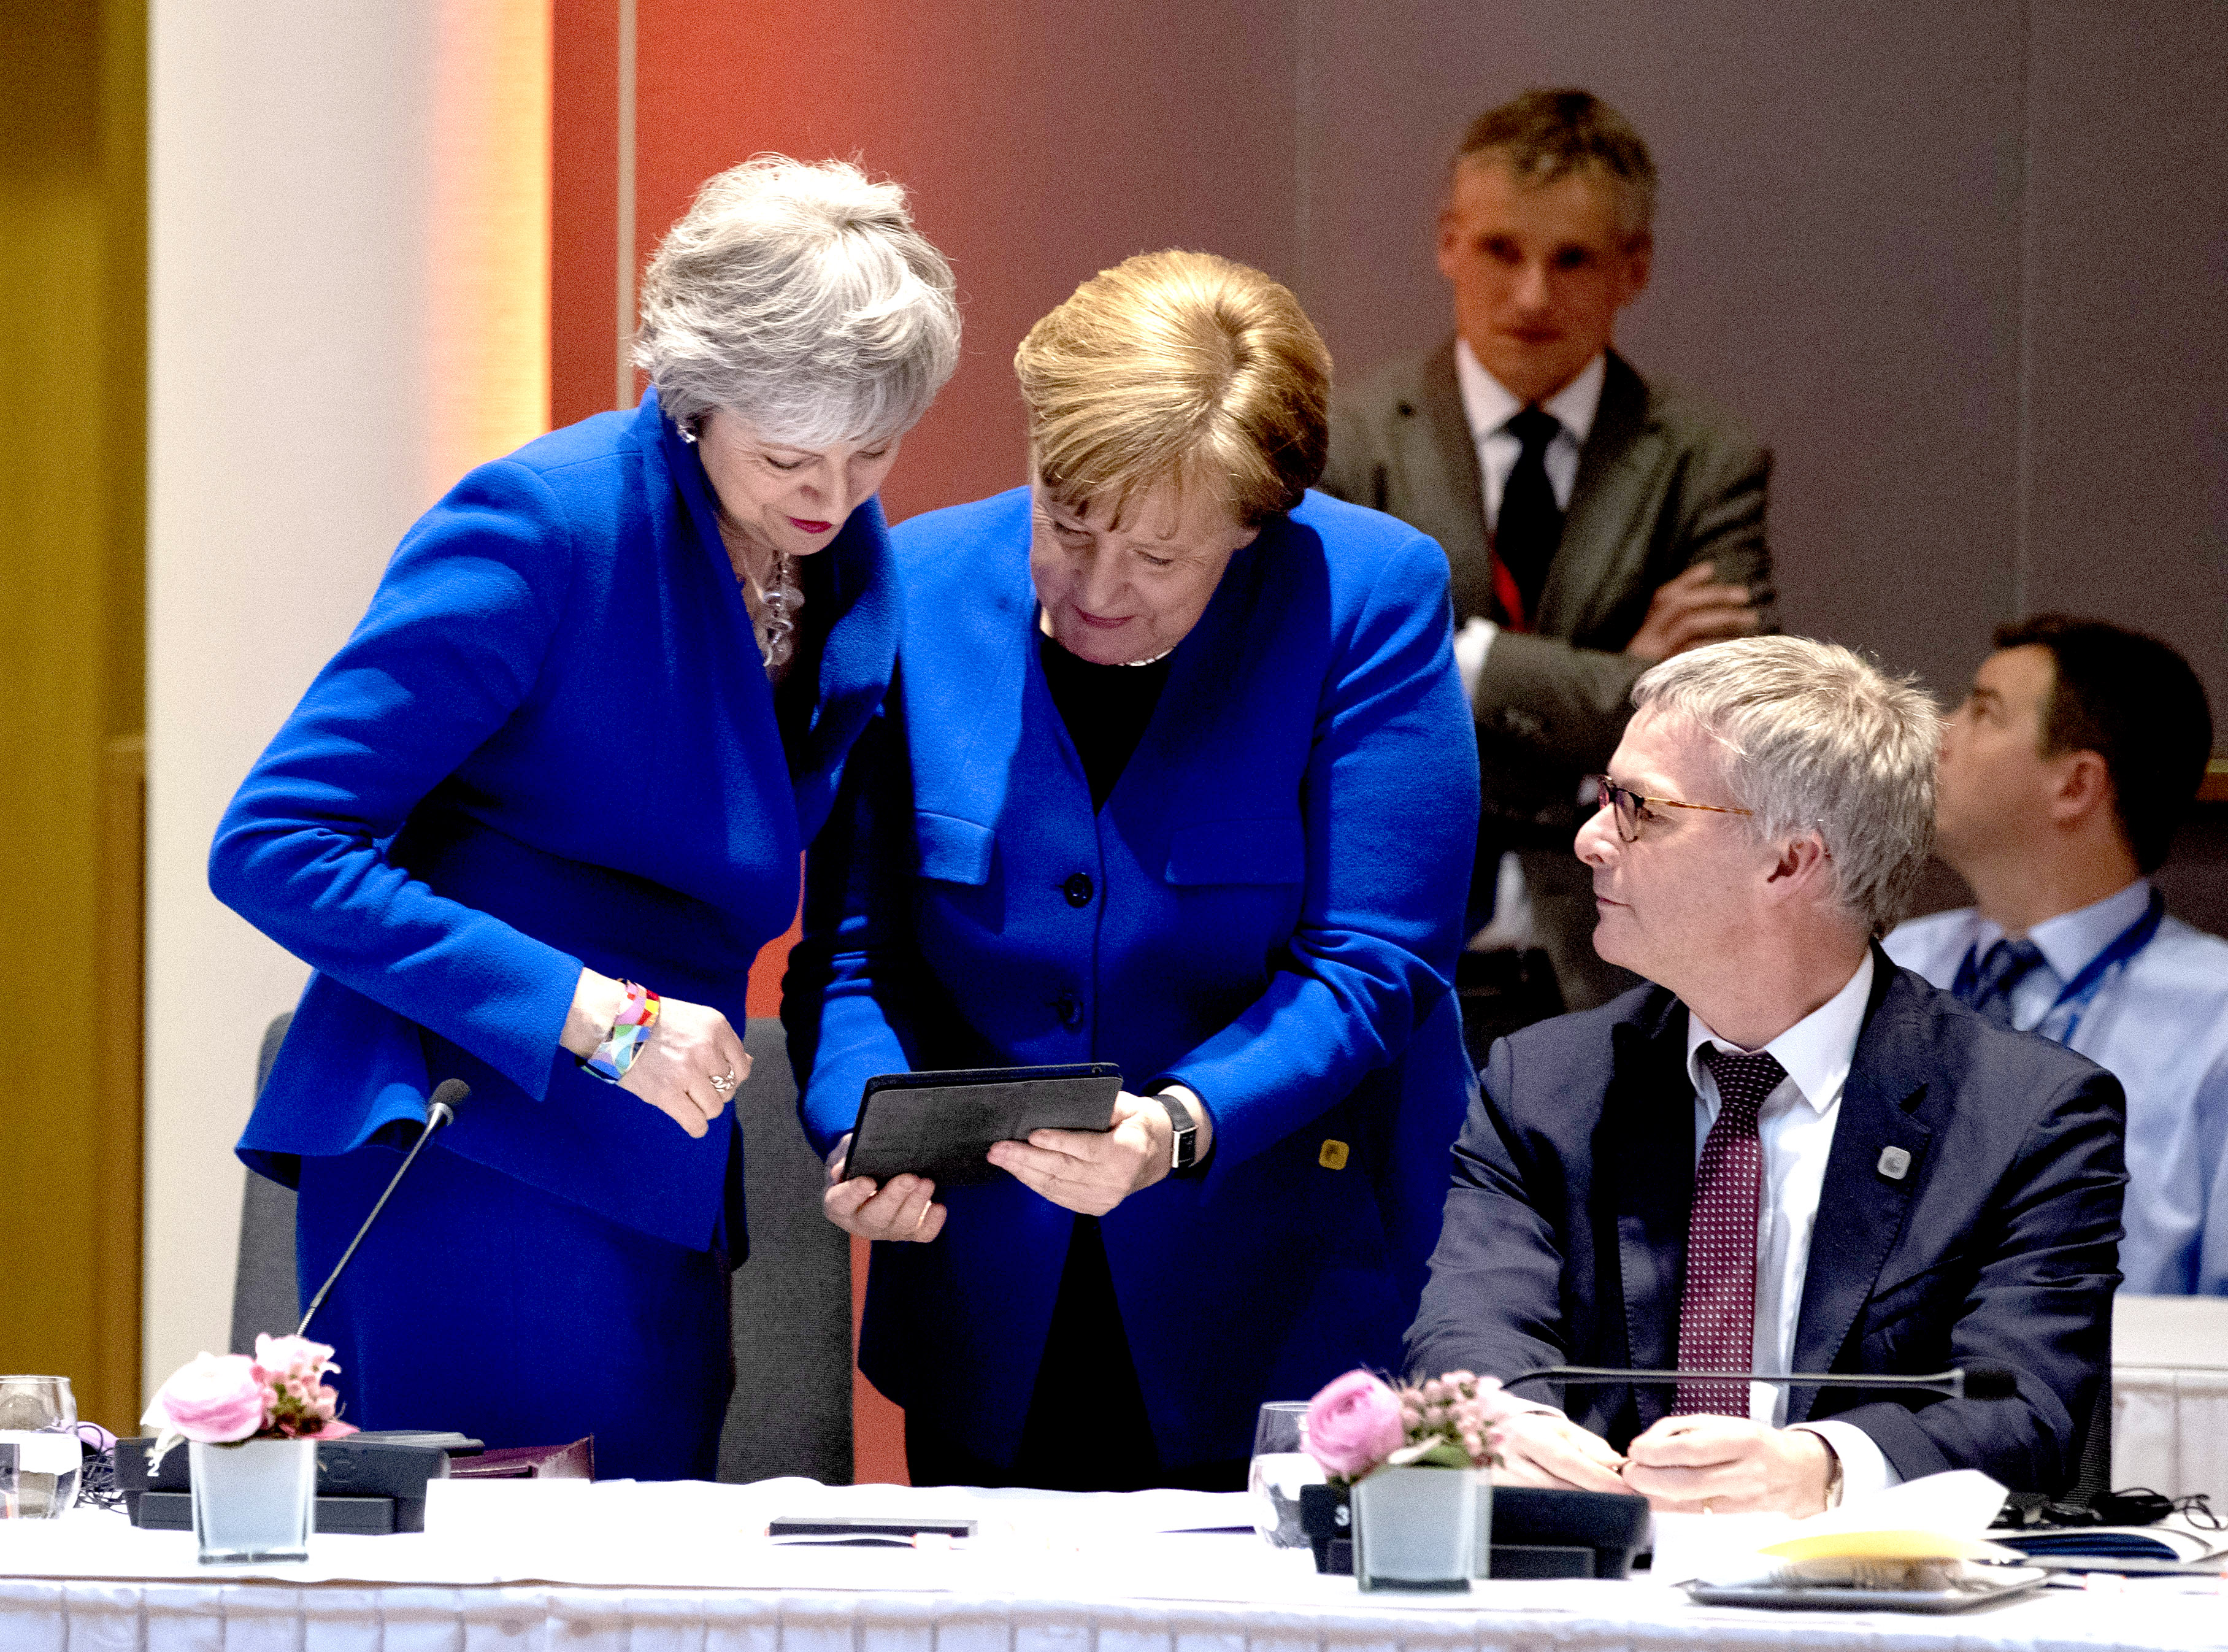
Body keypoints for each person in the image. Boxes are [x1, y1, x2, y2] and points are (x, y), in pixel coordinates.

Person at [207, 157, 961, 1478]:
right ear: (690, 395)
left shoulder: (841, 552)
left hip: (667, 1163)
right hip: (475, 1150)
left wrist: (859, 1121)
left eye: (872, 451)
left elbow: (833, 906)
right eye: (787, 452)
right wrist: (594, 1013)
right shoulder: (542, 528)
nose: (831, 493)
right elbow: (274, 843)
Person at [784, 250, 1478, 1491]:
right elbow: (852, 951)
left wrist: (1178, 1121)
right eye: (1069, 520)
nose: (1099, 588)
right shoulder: (911, 585)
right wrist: (860, 1127)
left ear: (1256, 527)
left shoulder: (1365, 595)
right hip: (982, 1295)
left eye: (1162, 560)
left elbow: (1375, 963)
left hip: (1277, 1298)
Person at [1407, 636, 2126, 1513]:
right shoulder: (1541, 1088)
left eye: (1642, 808)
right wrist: (1500, 1416)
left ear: (1790, 861)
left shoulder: (2028, 1116)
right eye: (1605, 797)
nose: (1592, 839)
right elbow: (1467, 1328)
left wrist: (1822, 1467)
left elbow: (2028, 1405)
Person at [1320, 88, 1773, 1023]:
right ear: (1448, 242)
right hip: (1388, 962)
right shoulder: (1345, 444)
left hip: (1624, 980)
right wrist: (1617, 688)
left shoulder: (1706, 463)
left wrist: (1459, 659)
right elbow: (1328, 698)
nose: (1532, 295)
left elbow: (1718, 733)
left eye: (1572, 259)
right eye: (1500, 250)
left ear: (1634, 267)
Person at [1886, 617, 2226, 1295]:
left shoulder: (2216, 1015)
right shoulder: (1893, 964)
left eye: (1981, 713)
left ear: (2074, 784)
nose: (1937, 733)